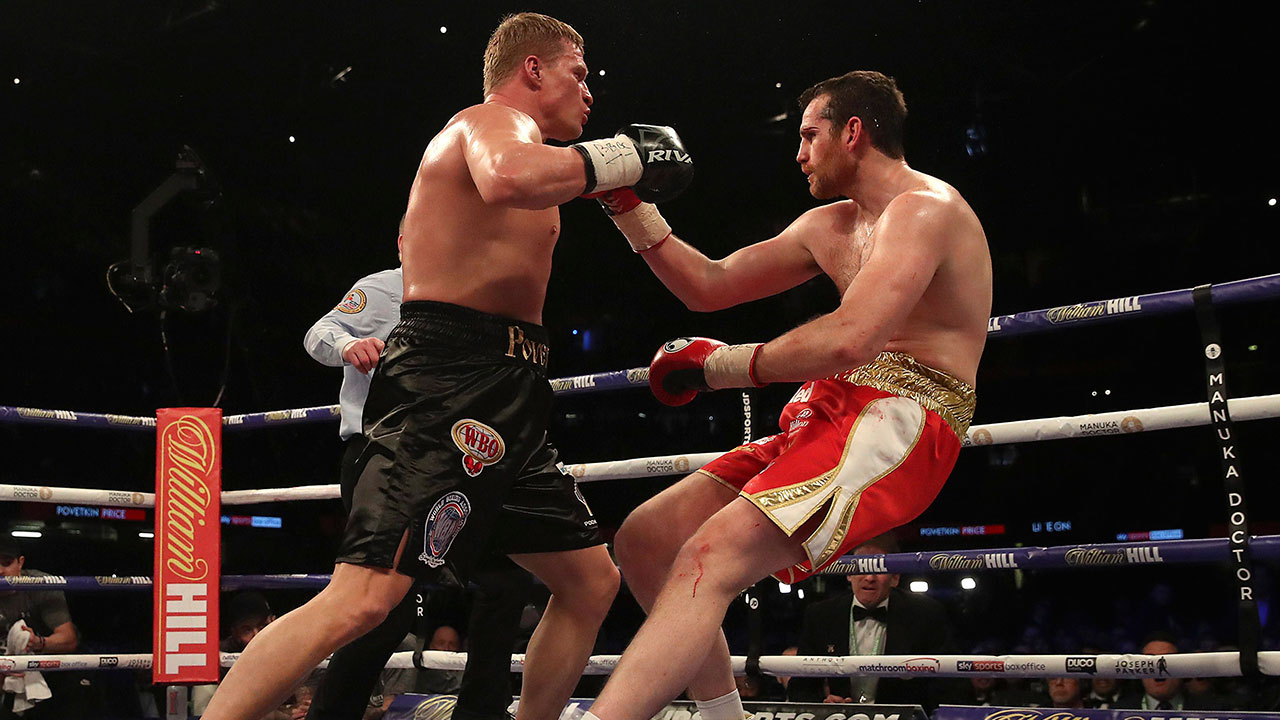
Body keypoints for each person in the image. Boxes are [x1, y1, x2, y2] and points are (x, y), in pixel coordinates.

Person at [203, 12, 694, 720]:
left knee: (590, 583)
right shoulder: (488, 123)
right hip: (448, 380)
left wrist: (627, 193)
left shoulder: (543, 159)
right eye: (578, 73)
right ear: (532, 70)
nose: (591, 92)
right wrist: (622, 154)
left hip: (512, 392)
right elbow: (506, 177)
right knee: (365, 598)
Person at [586, 70, 991, 720]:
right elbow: (709, 286)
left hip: (903, 417)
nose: (799, 153)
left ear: (853, 132)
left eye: (809, 135)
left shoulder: (927, 208)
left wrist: (720, 367)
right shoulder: (827, 225)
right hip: (830, 410)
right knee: (646, 538)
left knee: (709, 558)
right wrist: (628, 206)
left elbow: (853, 336)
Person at [303, 234, 536, 720]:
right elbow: (320, 332)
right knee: (385, 608)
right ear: (404, 242)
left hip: (459, 459)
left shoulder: (474, 297)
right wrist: (349, 344)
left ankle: (482, 713)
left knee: (504, 578)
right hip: (385, 456)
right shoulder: (384, 288)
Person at [788, 534, 959, 710]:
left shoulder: (925, 614)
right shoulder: (821, 615)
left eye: (879, 567)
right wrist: (824, 706)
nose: (869, 577)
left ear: (895, 577)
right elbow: (801, 687)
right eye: (862, 566)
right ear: (849, 573)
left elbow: (948, 685)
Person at [0, 538, 79, 718]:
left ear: (20, 563)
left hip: (54, 673)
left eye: (6, 563)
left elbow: (68, 639)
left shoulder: (41, 584)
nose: (0, 571)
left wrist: (38, 643)